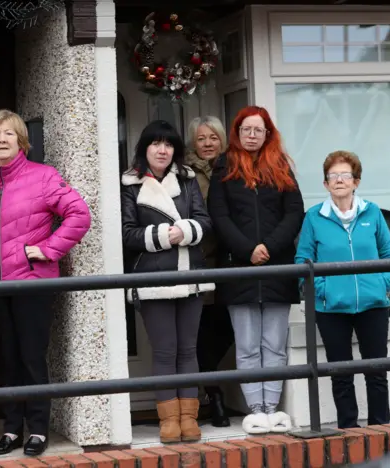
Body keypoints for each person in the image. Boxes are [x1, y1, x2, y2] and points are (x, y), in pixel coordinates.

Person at [0, 109, 91, 457]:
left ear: (21, 142)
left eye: (9, 134)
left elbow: (79, 215)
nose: (2, 139)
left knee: (33, 359)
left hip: (32, 285)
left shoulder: (44, 177)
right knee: (8, 360)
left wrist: (48, 249)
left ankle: (36, 430)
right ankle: (10, 430)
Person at [207, 106, 304, 435]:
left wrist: (270, 247)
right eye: (246, 130)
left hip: (276, 269)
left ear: (267, 134)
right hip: (239, 270)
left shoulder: (281, 167)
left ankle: (272, 409)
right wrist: (247, 250)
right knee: (247, 346)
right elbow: (218, 216)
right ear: (237, 132)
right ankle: (255, 410)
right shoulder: (224, 166)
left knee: (274, 345)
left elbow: (294, 213)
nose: (252, 136)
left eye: (258, 130)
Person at [121, 120, 214, 444]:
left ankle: (190, 418)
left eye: (168, 144)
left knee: (188, 350)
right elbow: (127, 232)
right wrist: (166, 235)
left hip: (189, 274)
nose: (162, 150)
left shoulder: (187, 181)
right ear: (144, 148)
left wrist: (185, 231)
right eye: (156, 144)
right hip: (153, 277)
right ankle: (169, 421)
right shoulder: (129, 184)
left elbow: (205, 221)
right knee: (165, 351)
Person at [295, 150, 390, 429]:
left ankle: (381, 432)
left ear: (356, 181)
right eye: (333, 176)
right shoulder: (315, 217)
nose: (339, 180)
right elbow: (303, 261)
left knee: (376, 372)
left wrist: (381, 284)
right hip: (331, 309)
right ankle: (348, 433)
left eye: (345, 175)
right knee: (340, 374)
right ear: (325, 184)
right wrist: (323, 289)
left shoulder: (372, 212)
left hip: (373, 304)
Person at [185, 116, 233, 428]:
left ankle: (209, 385)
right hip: (200, 263)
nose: (207, 144)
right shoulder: (185, 174)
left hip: (230, 264)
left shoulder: (233, 168)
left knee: (228, 328)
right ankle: (214, 394)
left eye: (212, 137)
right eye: (201, 139)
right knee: (198, 334)